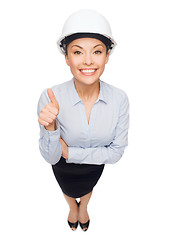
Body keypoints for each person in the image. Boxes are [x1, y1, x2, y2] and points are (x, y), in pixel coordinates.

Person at [37, 9, 129, 231]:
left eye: (97, 51)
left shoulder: (119, 99)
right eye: (78, 52)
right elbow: (51, 157)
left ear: (107, 56)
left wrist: (70, 153)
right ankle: (72, 208)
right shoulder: (50, 97)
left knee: (88, 187)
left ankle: (84, 207)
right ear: (67, 57)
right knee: (67, 189)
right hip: (63, 168)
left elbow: (116, 153)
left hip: (94, 168)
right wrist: (50, 128)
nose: (88, 61)